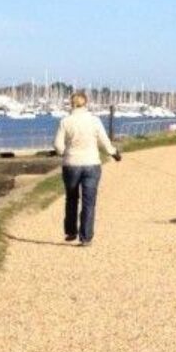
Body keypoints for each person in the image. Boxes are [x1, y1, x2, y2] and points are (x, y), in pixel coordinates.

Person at [53, 92, 121, 246]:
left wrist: (63, 153)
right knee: (89, 202)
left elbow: (57, 145)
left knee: (71, 199)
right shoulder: (94, 121)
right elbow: (104, 141)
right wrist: (114, 153)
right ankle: (86, 237)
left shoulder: (65, 121)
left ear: (71, 104)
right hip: (91, 163)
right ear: (86, 103)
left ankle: (71, 231)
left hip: (71, 164)